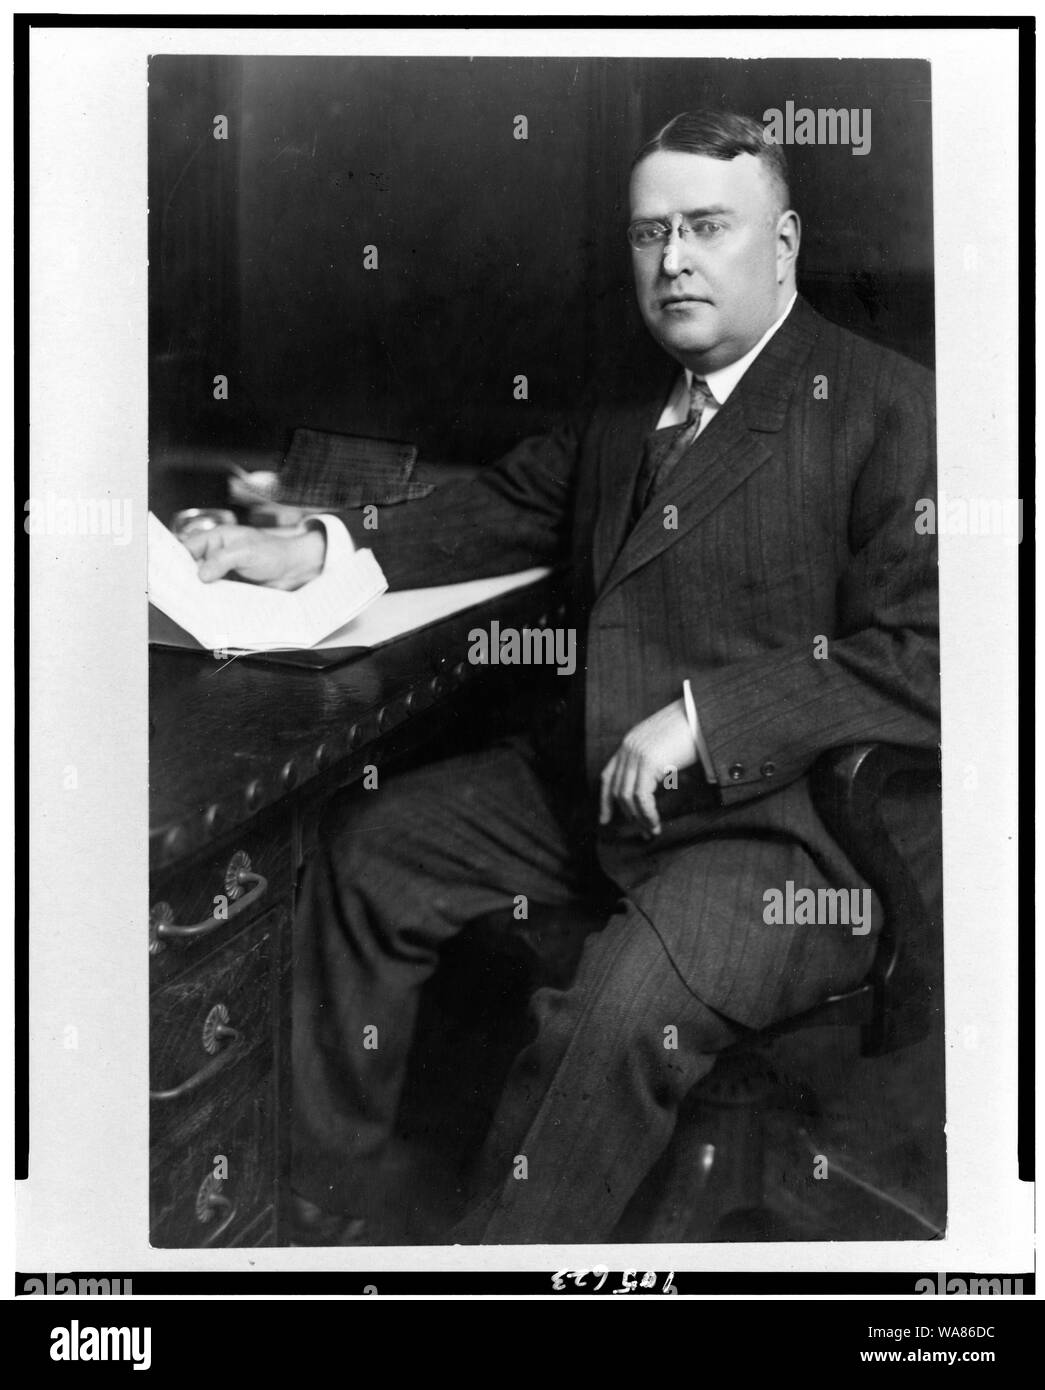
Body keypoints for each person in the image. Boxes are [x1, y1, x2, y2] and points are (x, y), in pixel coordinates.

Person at [184, 110, 940, 1244]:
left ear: (782, 246)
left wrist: (709, 717)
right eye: (649, 234)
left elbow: (930, 660)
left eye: (705, 227)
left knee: (608, 1018)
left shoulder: (889, 409)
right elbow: (494, 508)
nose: (673, 258)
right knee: (366, 852)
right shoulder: (636, 410)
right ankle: (314, 1219)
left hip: (783, 837)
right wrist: (313, 547)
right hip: (599, 793)